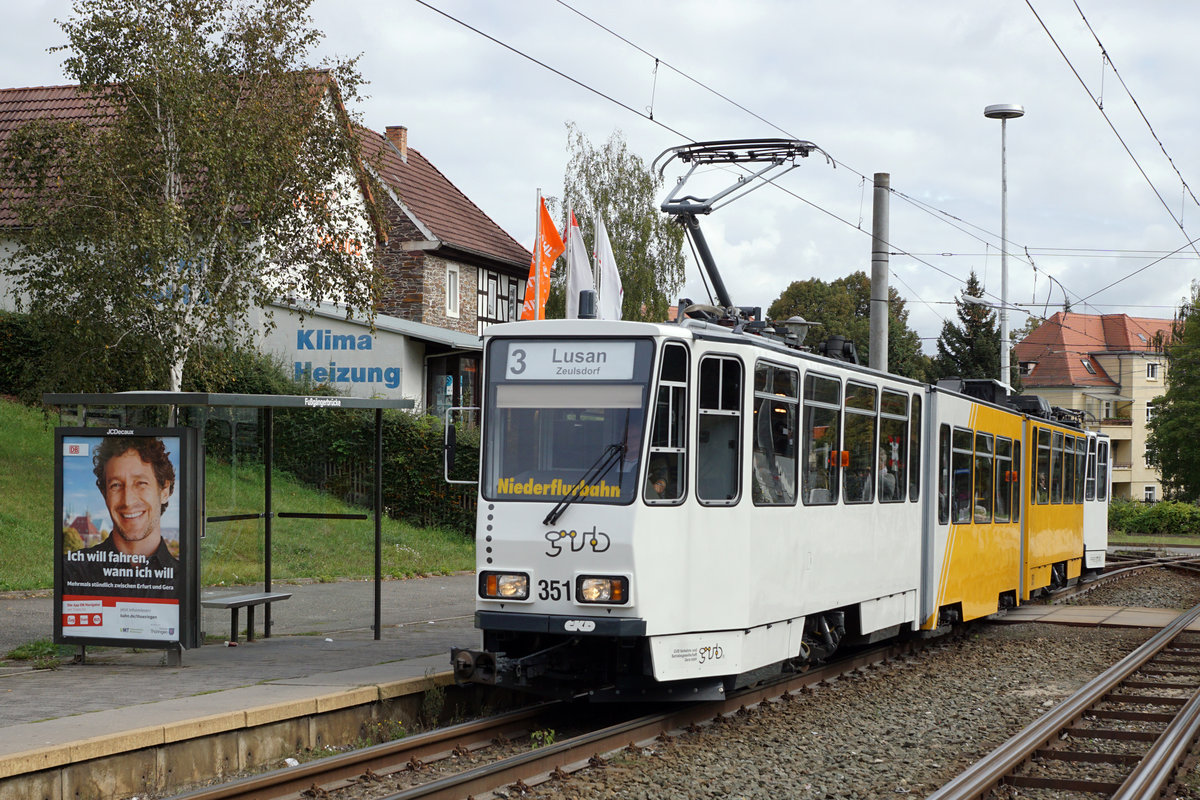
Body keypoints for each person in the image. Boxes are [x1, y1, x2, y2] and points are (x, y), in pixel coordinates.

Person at [62, 436, 179, 597]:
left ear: (165, 490)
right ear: (105, 494)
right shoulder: (72, 571)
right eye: (116, 485)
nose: (128, 501)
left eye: (141, 483)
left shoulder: (183, 579)